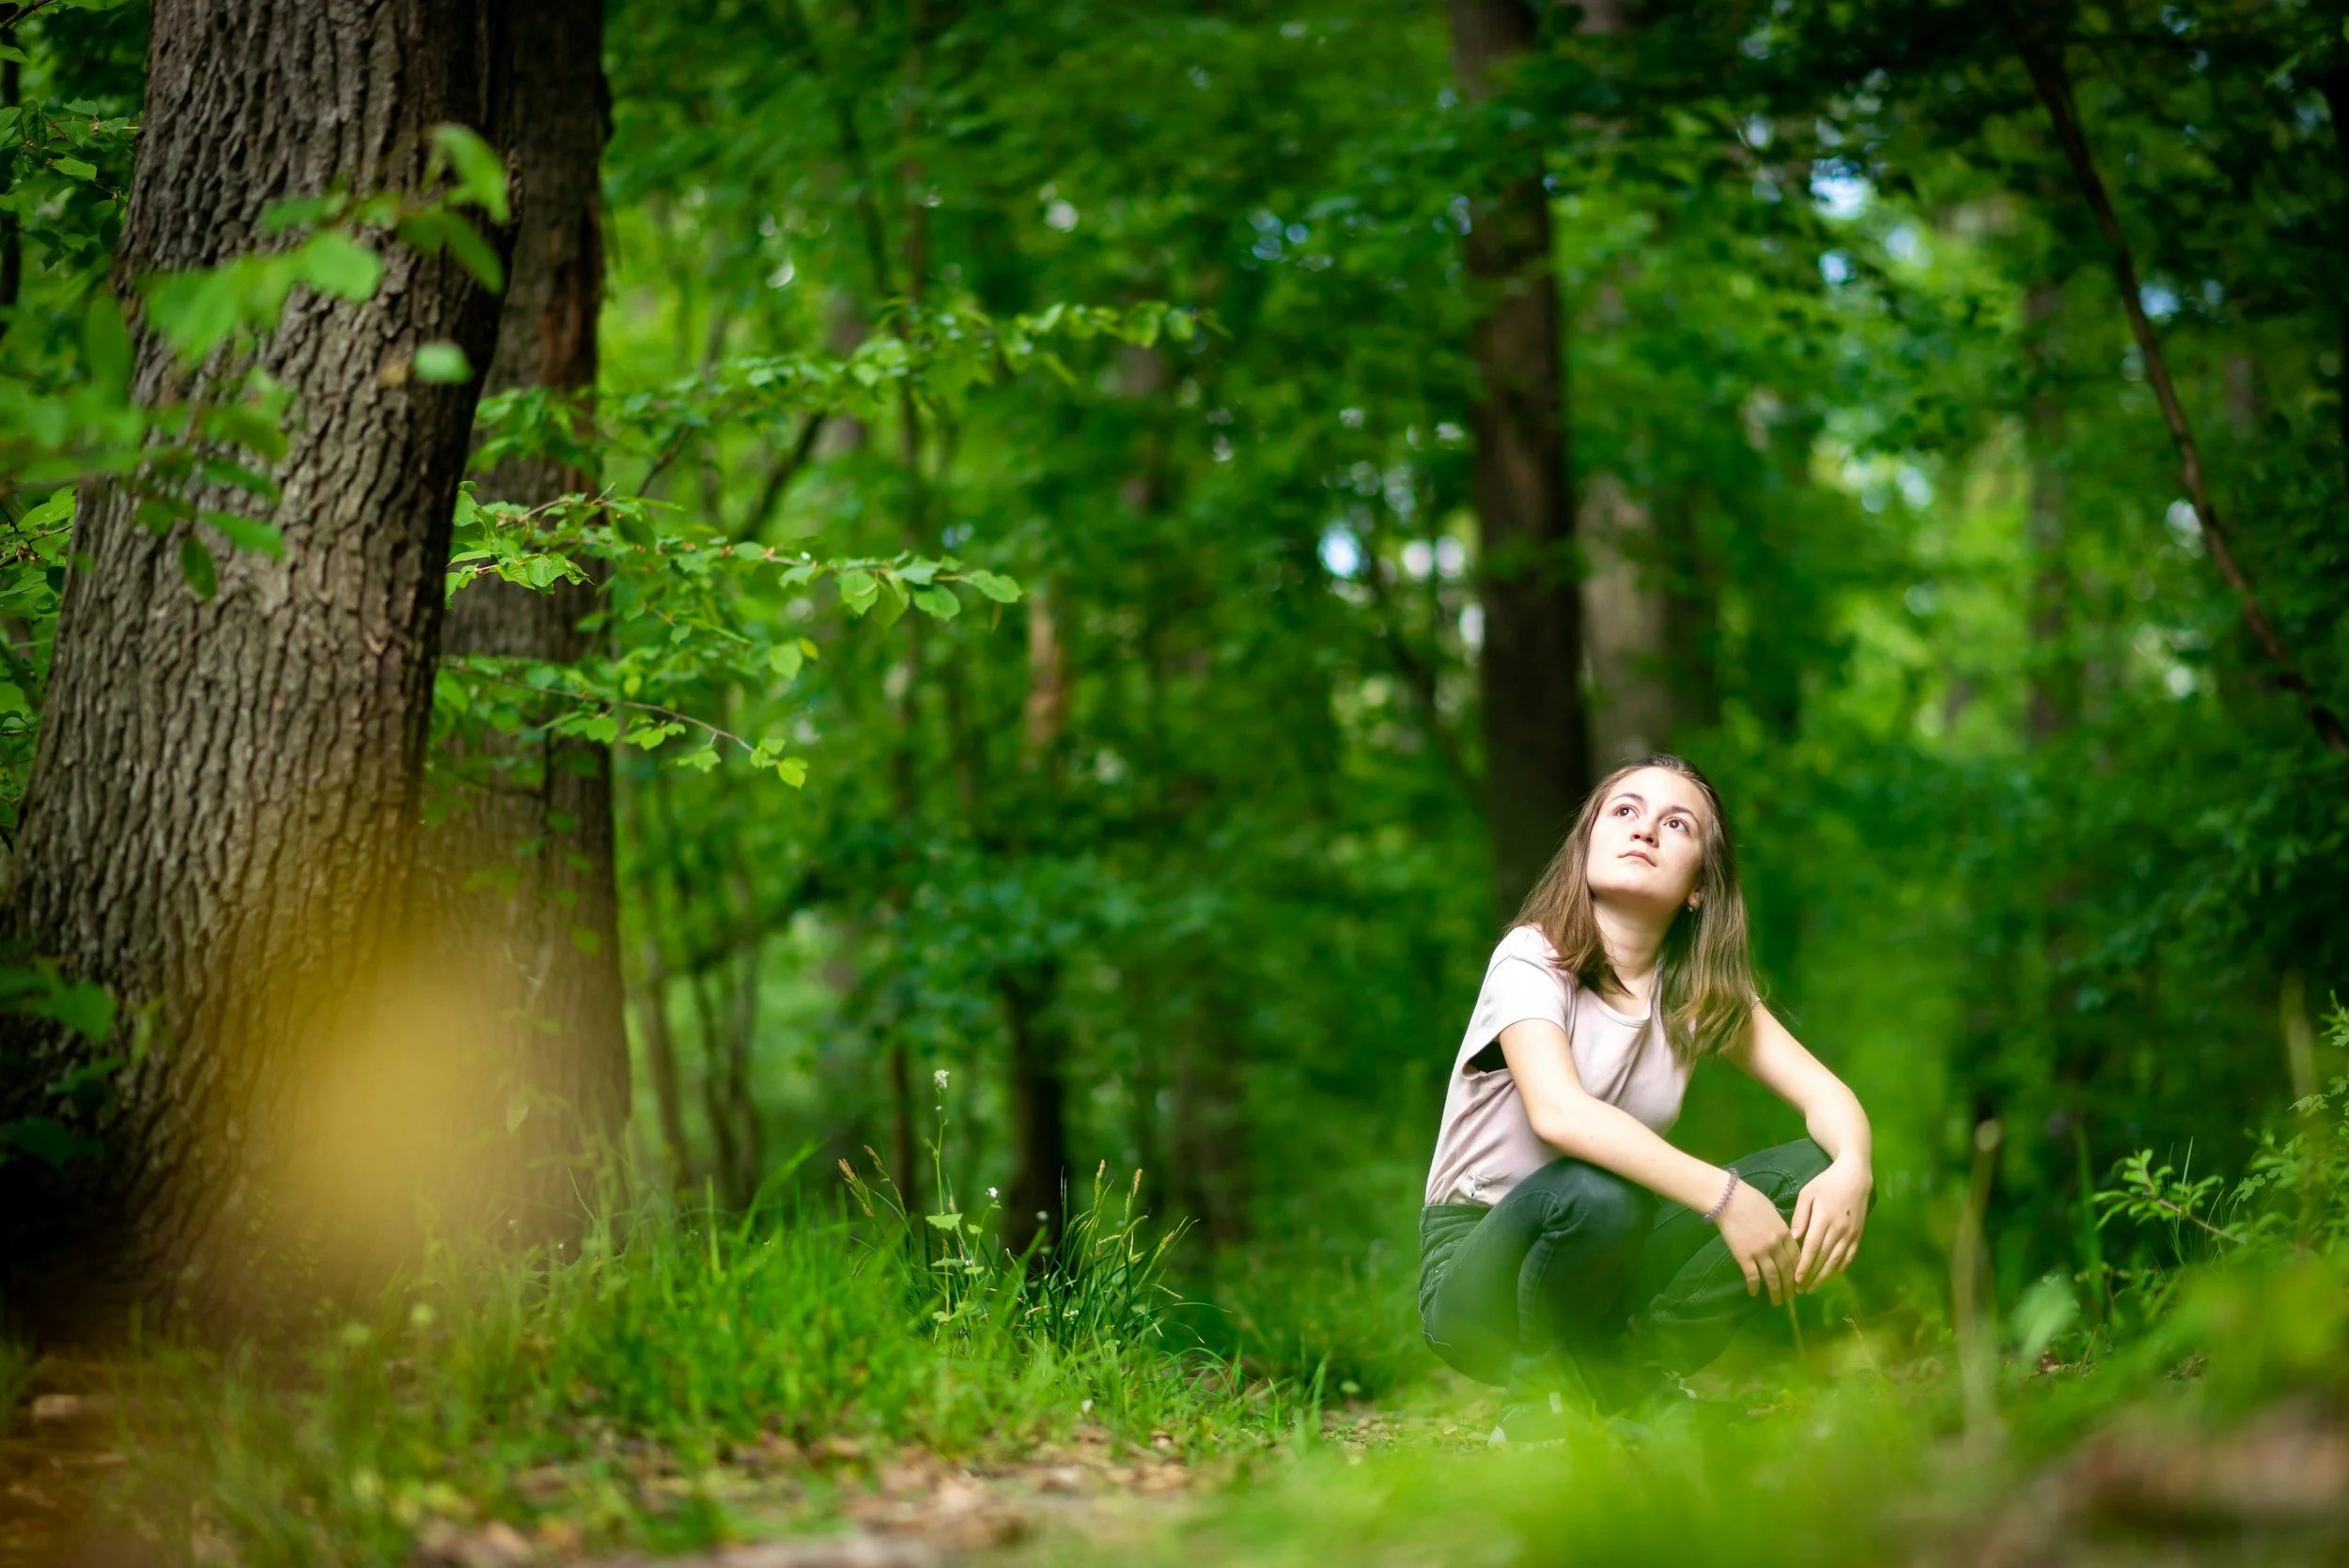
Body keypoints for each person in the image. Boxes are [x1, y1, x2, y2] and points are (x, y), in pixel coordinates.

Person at [1419, 754, 1875, 1443]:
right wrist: (1725, 1194)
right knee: (1598, 1190)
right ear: (1589, 842)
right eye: (1625, 811)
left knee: (1819, 1171)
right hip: (1477, 1271)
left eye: (1676, 823)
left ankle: (1629, 1366)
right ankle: (1538, 1402)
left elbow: (1826, 1095)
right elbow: (1560, 1114)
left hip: (1612, 1259)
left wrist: (1855, 1167)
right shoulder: (1530, 958)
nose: (1645, 830)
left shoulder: (1696, 991)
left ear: (1698, 886)